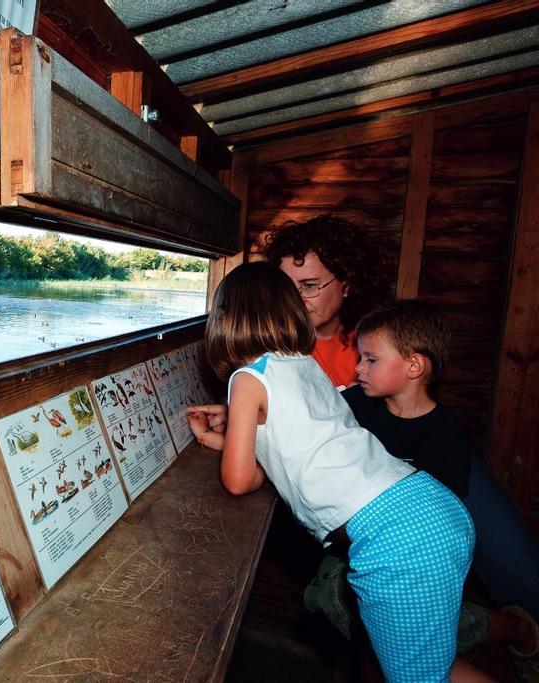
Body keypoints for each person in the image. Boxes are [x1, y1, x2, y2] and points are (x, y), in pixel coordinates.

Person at [188, 262, 475, 682]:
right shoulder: (306, 365)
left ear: (226, 319)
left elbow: (239, 481)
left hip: (396, 537)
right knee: (430, 667)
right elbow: (284, 457)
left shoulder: (246, 378)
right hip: (427, 506)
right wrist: (219, 440)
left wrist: (220, 443)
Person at [345, 301, 538, 661]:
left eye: (370, 359)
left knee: (430, 628)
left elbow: (445, 513)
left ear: (414, 365)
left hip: (419, 555)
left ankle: (519, 632)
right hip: (372, 544)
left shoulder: (447, 435)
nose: (358, 368)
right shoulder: (357, 403)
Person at [263, 215, 390, 389]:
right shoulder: (269, 341)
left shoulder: (378, 343)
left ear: (346, 286)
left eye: (309, 286)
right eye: (286, 287)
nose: (295, 301)